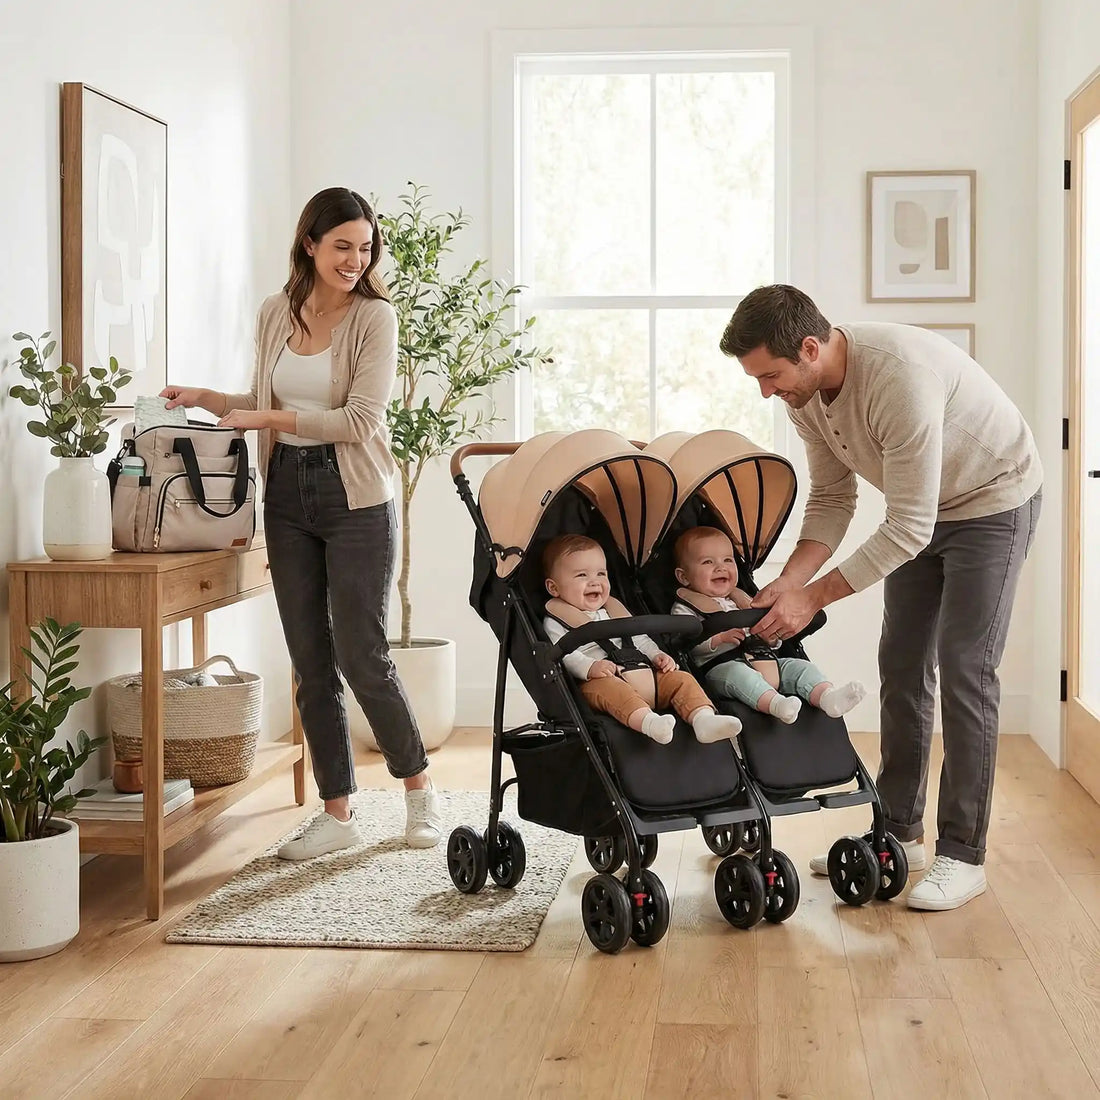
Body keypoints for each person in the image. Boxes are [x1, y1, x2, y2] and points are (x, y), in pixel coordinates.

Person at [718, 285, 1042, 911]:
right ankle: (898, 833)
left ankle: (963, 855)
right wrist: (791, 579)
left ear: (810, 348)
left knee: (967, 672)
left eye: (771, 375)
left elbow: (908, 527)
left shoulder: (899, 377)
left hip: (993, 501)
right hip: (924, 514)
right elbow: (835, 499)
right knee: (901, 664)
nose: (765, 390)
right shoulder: (805, 396)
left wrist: (814, 599)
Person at [160, 187, 442, 860]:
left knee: (363, 655)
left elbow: (360, 420)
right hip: (286, 495)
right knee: (311, 662)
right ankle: (337, 814)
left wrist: (267, 418)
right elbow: (265, 399)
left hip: (357, 500)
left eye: (365, 247)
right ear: (309, 244)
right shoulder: (275, 313)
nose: (355, 259)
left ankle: (419, 792)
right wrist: (210, 398)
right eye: (342, 245)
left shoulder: (375, 318)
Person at [541, 535, 742, 745]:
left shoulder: (613, 610)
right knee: (612, 690)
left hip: (644, 672)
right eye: (582, 575)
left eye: (601, 573)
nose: (595, 581)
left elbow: (642, 640)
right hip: (601, 681)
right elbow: (565, 654)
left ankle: (704, 719)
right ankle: (650, 724)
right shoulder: (556, 620)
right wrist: (590, 667)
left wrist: (657, 655)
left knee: (682, 679)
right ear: (554, 588)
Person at [672, 526, 865, 723]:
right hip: (721, 668)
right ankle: (777, 704)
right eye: (707, 562)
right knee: (741, 676)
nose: (721, 567)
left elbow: (774, 641)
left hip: (765, 659)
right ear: (684, 577)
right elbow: (685, 646)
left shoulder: (744, 600)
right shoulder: (685, 608)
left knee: (800, 667)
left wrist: (771, 638)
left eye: (728, 560)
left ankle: (827, 697)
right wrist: (718, 639)